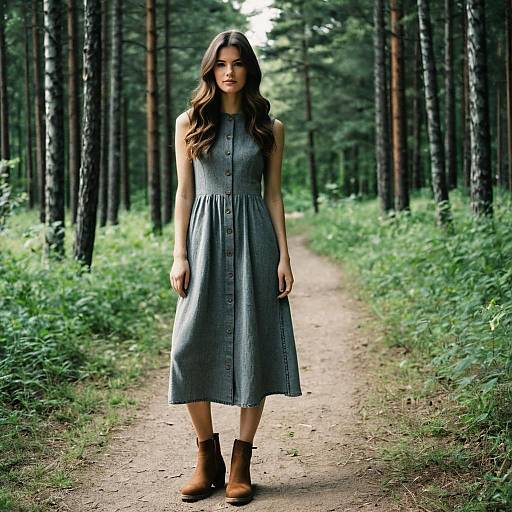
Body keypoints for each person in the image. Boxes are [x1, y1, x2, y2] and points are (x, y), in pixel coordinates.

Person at [167, 29, 302, 505]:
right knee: (187, 346)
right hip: (202, 242)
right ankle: (208, 457)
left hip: (255, 242)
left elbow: (274, 196)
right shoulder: (189, 122)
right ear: (211, 69)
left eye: (237, 64)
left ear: (249, 69)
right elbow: (184, 193)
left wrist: (284, 256)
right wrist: (179, 253)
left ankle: (242, 459)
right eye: (221, 64)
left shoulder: (270, 128)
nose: (229, 72)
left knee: (252, 342)